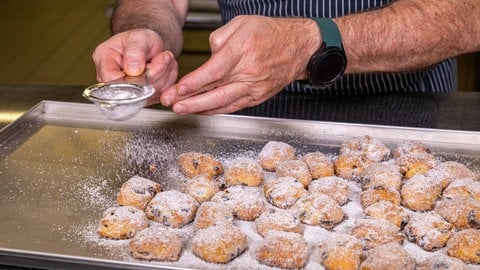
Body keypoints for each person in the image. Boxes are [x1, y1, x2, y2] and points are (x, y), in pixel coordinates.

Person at [93, 0, 480, 116]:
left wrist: (308, 43)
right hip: (243, 110)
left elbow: (468, 13)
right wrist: (149, 31)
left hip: (404, 107)